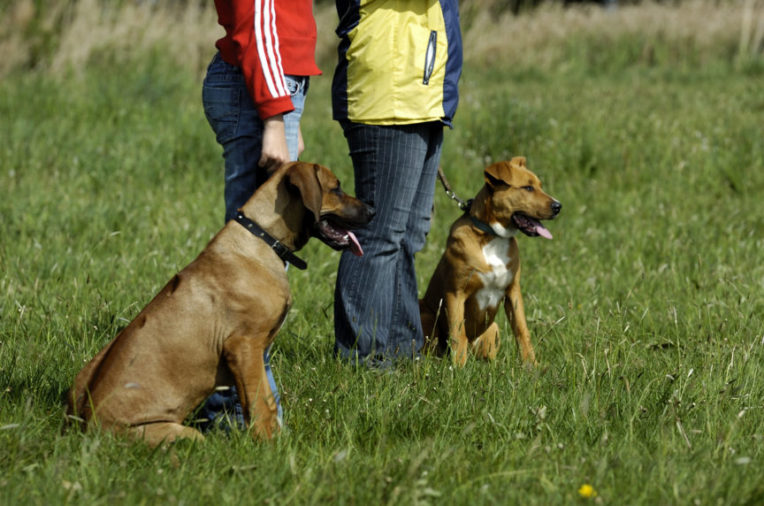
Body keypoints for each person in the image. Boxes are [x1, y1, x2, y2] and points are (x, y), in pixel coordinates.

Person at [198, 0, 321, 429]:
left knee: (258, 263)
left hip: (265, 86)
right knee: (251, 267)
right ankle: (236, 415)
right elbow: (259, 17)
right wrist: (274, 115)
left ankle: (233, 408)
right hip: (256, 91)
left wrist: (289, 112)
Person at [332, 0, 463, 365]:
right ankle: (361, 359)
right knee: (379, 235)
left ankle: (403, 351)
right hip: (389, 95)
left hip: (422, 96)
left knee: (407, 235)